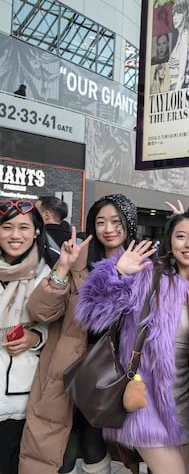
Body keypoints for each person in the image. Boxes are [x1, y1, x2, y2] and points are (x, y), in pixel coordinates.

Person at [76, 212, 189, 474]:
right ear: (169, 242)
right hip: (145, 401)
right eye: (181, 236)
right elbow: (91, 314)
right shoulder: (148, 275)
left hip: (188, 405)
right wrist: (116, 273)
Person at [19, 194, 138, 474]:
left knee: (98, 448)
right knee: (61, 451)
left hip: (116, 378)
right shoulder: (77, 260)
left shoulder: (145, 264)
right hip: (70, 373)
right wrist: (62, 267)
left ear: (129, 224)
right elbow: (41, 312)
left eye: (116, 221)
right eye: (100, 222)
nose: (108, 228)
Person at [0, 200, 50, 474]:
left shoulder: (48, 272)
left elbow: (56, 323)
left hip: (18, 393)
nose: (15, 235)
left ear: (36, 232)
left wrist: (35, 337)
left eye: (23, 227)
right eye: (7, 227)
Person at [168, 0, 189, 91]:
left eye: (179, 13)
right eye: (174, 14)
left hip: (177, 88)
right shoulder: (181, 36)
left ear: (185, 15)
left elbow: (181, 76)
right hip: (175, 87)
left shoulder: (184, 37)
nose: (175, 18)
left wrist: (174, 99)